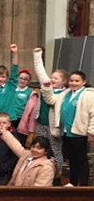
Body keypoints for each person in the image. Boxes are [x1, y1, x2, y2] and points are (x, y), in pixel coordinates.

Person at [41, 71, 94, 186]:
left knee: (81, 160)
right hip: (66, 132)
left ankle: (84, 185)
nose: (73, 83)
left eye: (77, 81)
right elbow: (51, 99)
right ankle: (73, 182)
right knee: (72, 160)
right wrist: (46, 87)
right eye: (71, 80)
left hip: (79, 133)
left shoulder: (89, 95)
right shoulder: (66, 94)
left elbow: (93, 114)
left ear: (84, 82)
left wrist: (91, 132)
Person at [0, 128, 56, 201]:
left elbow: (39, 191)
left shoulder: (46, 167)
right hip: (17, 197)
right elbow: (15, 145)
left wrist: (17, 200)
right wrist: (4, 132)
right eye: (33, 146)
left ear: (46, 151)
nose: (35, 150)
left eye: (39, 148)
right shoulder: (27, 155)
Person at [31, 47, 68, 176]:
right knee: (38, 148)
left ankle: (57, 174)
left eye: (56, 78)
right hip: (41, 124)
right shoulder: (47, 86)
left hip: (53, 127)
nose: (52, 80)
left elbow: (52, 100)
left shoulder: (64, 94)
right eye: (52, 77)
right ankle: (39, 171)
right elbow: (40, 72)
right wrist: (37, 55)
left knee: (56, 151)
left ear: (64, 81)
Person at [0, 44, 19, 121]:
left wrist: (15, 53)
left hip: (9, 120)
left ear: (7, 78)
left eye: (3, 77)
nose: (0, 79)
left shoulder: (10, 87)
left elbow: (15, 70)